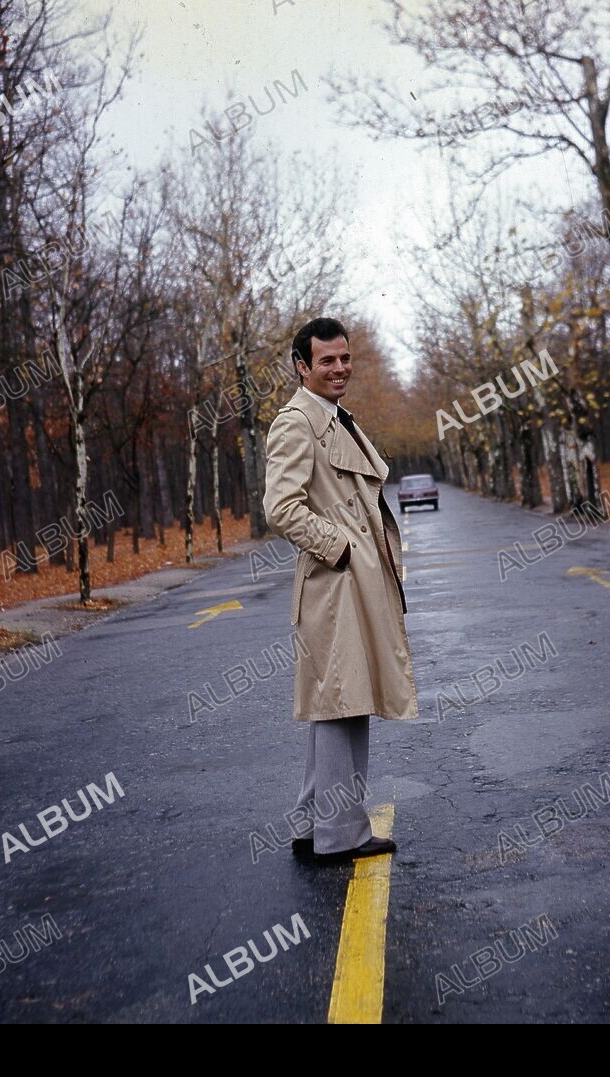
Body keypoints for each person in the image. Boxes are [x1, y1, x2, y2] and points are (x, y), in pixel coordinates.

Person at [263, 317, 418, 863]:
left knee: (342, 699)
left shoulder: (333, 417)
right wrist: (341, 547)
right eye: (326, 360)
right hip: (334, 583)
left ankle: (312, 823)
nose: (339, 368)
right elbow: (280, 506)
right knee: (341, 702)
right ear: (302, 366)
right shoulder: (296, 423)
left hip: (350, 583)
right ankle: (341, 835)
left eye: (345, 358)